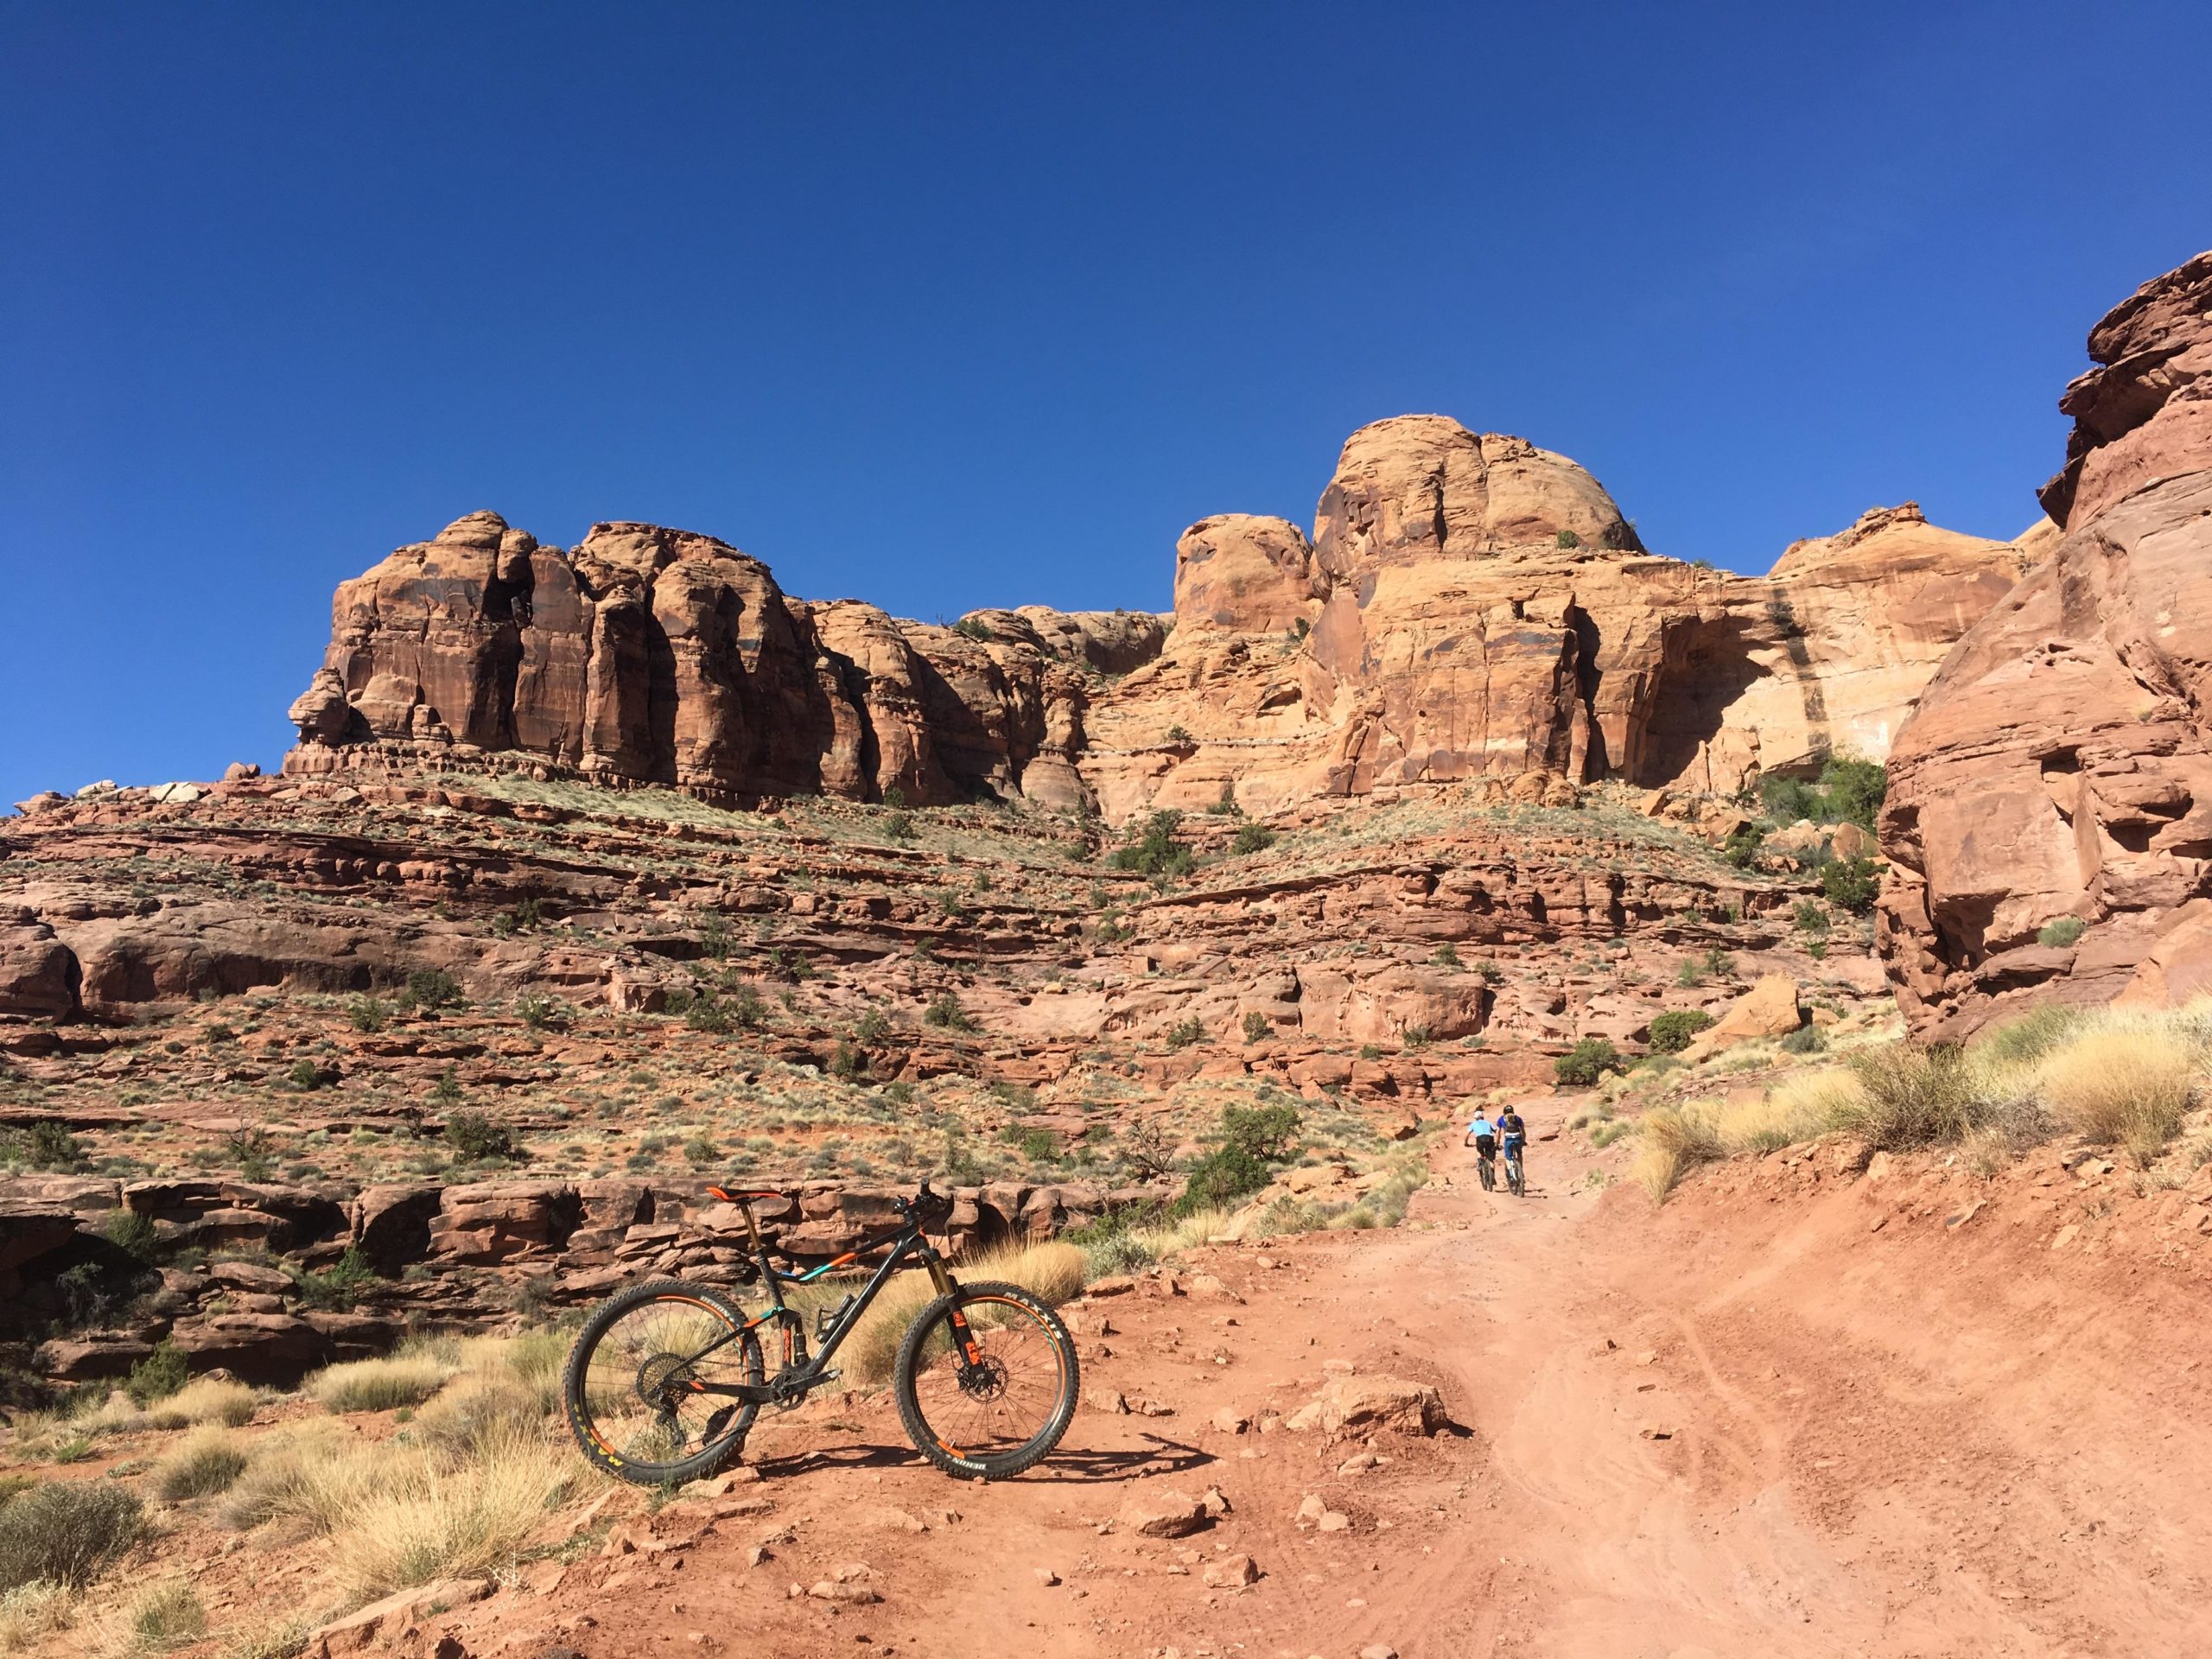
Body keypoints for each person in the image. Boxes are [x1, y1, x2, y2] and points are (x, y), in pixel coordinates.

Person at [1496, 1105, 1528, 1192]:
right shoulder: (1518, 1118)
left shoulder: (1501, 1119)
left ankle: (1512, 1174)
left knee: (1508, 1157)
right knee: (1519, 1153)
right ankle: (1521, 1171)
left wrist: (1497, 1143)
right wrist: (1523, 1141)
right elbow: (1523, 1131)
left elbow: (1498, 1133)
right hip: (1518, 1139)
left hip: (1509, 1140)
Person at [1465, 1109, 1498, 1189]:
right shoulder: (1488, 1122)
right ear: (1482, 1117)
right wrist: (1497, 1142)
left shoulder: (1473, 1124)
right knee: (1491, 1160)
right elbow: (1497, 1131)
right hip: (1489, 1139)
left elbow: (1467, 1134)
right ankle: (1492, 1175)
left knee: (1479, 1150)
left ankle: (1480, 1163)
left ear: (1475, 1118)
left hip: (1480, 1139)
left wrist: (1466, 1143)